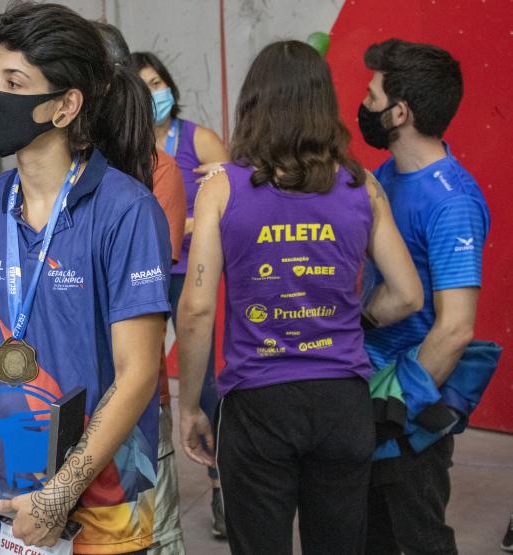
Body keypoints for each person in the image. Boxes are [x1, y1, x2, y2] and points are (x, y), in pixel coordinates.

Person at [0, 3, 171, 554]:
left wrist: (59, 494)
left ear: (65, 106)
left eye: (15, 82)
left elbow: (137, 374)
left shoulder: (125, 211)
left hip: (103, 508)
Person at [176, 41, 423, 554]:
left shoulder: (221, 188)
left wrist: (191, 408)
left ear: (252, 104)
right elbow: (407, 296)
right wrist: (353, 321)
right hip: (341, 404)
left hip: (257, 403)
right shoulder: (363, 185)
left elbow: (197, 309)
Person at [359, 39, 492, 555]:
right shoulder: (383, 178)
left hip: (404, 418)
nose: (364, 104)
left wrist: (398, 408)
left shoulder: (451, 201)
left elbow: (456, 328)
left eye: (371, 95)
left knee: (418, 540)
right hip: (368, 395)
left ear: (400, 111)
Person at [95, 21, 187, 555]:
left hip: (131, 391)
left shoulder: (158, 172)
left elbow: (138, 292)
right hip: (62, 393)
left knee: (149, 533)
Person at [132, 50, 229, 537]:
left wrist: (187, 221)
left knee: (206, 383)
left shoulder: (199, 139)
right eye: (144, 85)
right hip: (146, 272)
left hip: (191, 271)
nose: (155, 93)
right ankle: (146, 479)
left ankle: (221, 488)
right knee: (140, 376)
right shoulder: (125, 149)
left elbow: (238, 195)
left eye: (159, 81)